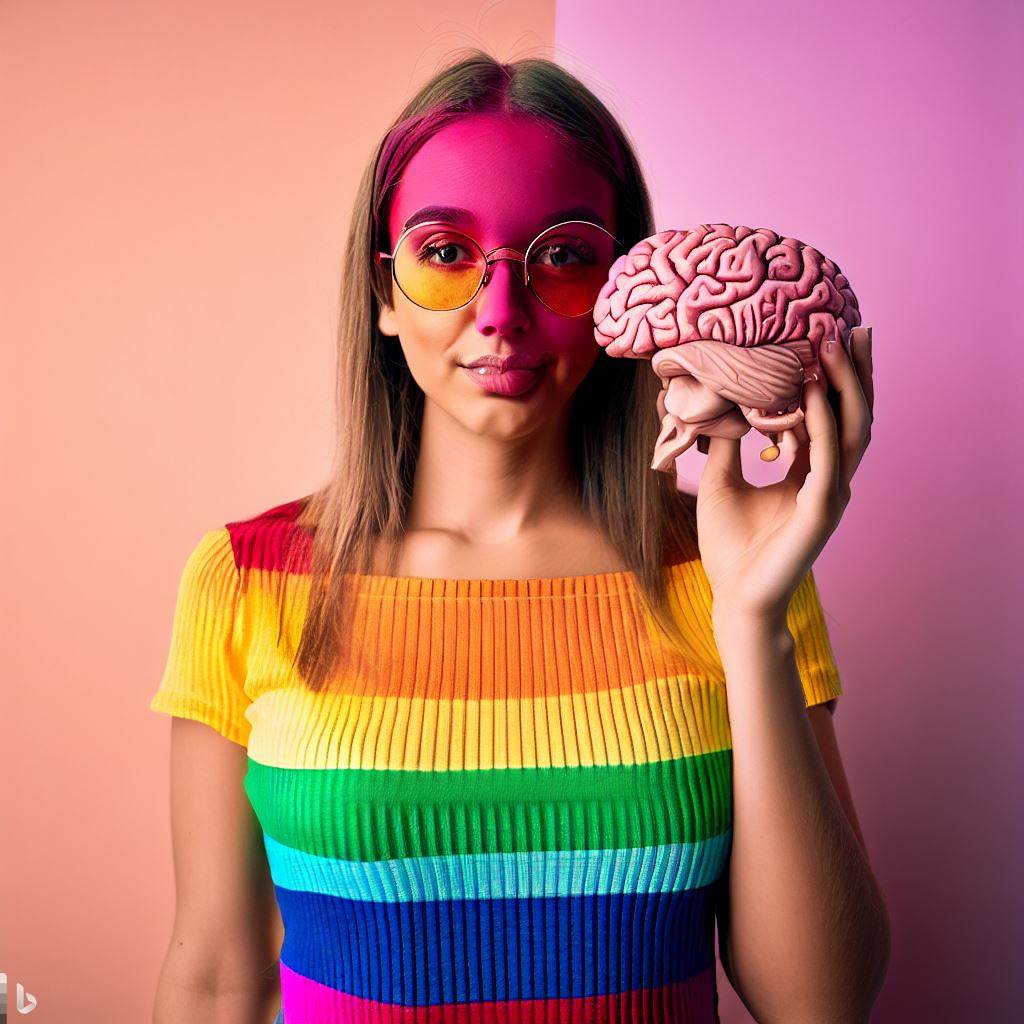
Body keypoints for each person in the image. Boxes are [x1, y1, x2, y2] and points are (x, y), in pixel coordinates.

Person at [149, 50, 890, 1024]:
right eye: (446, 253)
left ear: (625, 299)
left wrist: (751, 620)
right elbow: (215, 976)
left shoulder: (732, 569)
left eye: (565, 255)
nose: (500, 316)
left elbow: (820, 1005)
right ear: (380, 289)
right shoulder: (246, 579)